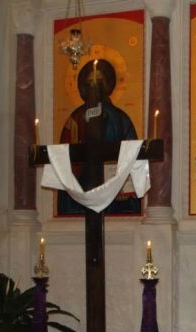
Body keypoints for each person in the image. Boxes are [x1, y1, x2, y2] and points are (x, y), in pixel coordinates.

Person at [58, 58, 140, 215]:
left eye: (100, 81)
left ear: (108, 85)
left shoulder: (121, 119)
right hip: (82, 192)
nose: (95, 86)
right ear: (84, 87)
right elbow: (64, 160)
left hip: (114, 192)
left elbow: (132, 156)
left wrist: (125, 186)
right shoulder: (74, 120)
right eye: (91, 82)